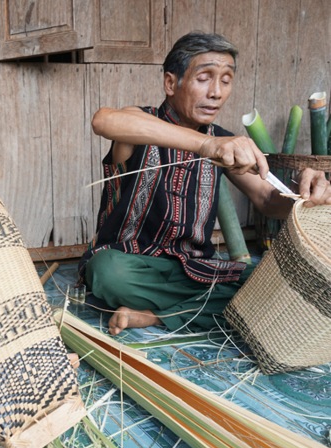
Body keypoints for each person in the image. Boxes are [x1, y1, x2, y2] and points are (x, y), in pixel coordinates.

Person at [83, 32, 331, 336]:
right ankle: (194, 312)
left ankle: (157, 316)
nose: (216, 92)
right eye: (204, 78)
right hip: (133, 267)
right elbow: (104, 121)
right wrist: (207, 144)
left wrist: (305, 198)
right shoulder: (142, 123)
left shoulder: (225, 142)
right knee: (107, 273)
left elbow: (267, 200)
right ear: (171, 83)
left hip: (197, 270)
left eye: (226, 80)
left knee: (275, 284)